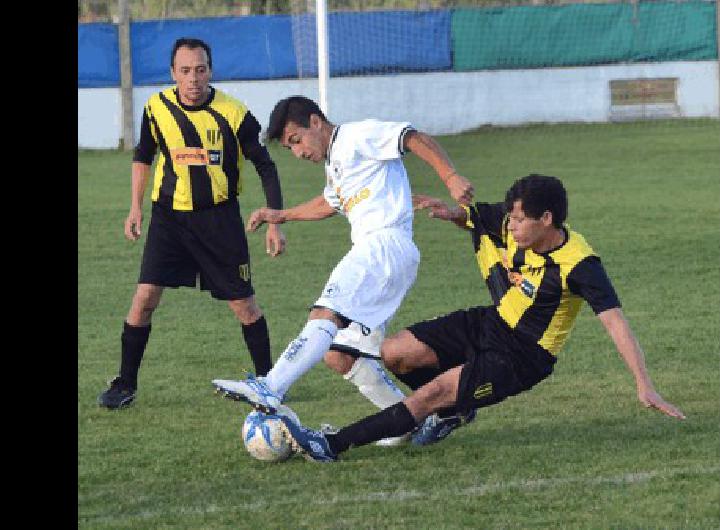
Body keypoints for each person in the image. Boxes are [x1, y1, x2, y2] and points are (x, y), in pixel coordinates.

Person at [271, 173, 686, 462]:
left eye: (521, 219)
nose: (512, 225)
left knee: (431, 394)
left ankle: (331, 444)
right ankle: (458, 407)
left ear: (547, 220)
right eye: (511, 216)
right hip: (490, 322)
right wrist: (447, 212)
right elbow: (472, 216)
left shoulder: (580, 264)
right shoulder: (509, 224)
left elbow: (615, 321)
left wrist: (644, 384)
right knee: (394, 352)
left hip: (522, 356)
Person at [211, 96, 475, 445]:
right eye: (290, 147)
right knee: (338, 354)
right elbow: (328, 204)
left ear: (316, 122)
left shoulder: (356, 136)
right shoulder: (335, 162)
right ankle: (406, 422)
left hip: (381, 246)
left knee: (326, 313)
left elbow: (411, 136)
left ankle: (271, 386)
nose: (298, 152)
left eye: (296, 140)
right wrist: (281, 215)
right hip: (388, 255)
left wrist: (451, 176)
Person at [97, 38, 287, 409]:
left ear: (210, 71)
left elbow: (265, 165)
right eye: (185, 71)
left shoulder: (234, 114)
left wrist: (275, 220)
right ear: (173, 74)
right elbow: (143, 157)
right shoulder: (157, 108)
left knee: (244, 305)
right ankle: (125, 383)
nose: (193, 78)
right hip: (169, 219)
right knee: (144, 298)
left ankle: (270, 382)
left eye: (200, 69)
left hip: (219, 220)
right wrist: (135, 208)